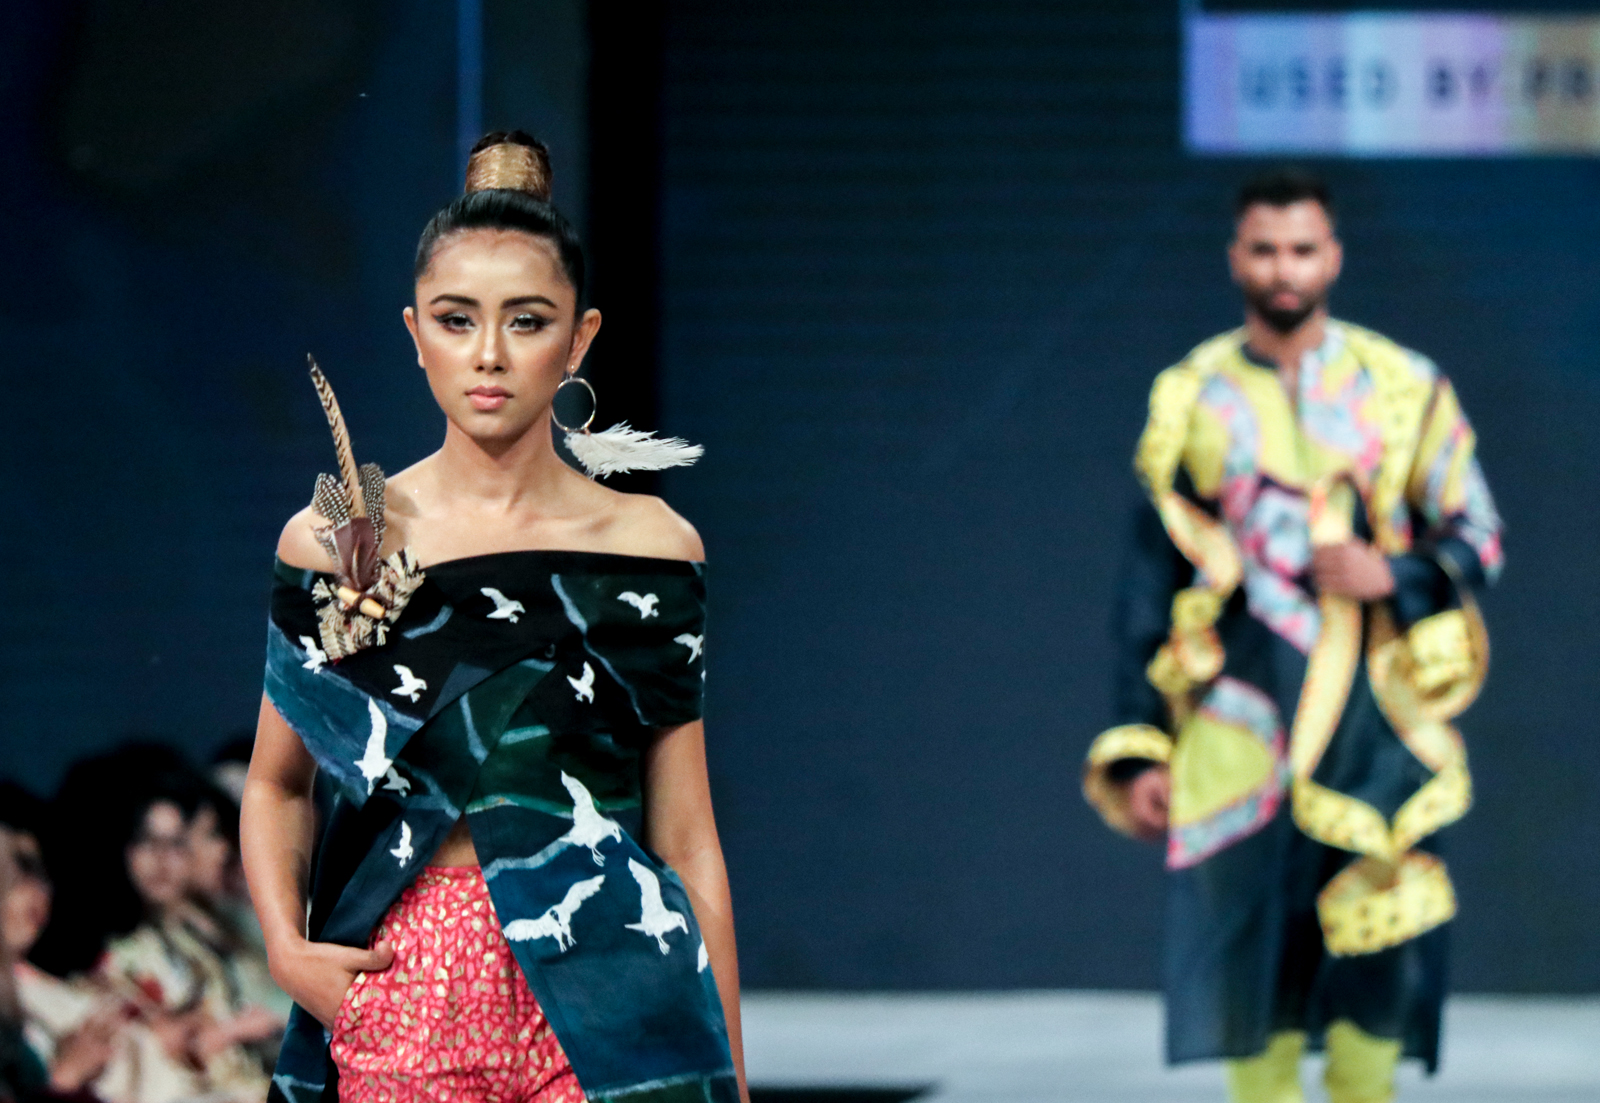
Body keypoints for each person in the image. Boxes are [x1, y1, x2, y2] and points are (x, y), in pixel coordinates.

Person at [241, 131, 746, 1103]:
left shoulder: (652, 545)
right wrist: (285, 950)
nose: (488, 354)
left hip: (617, 975)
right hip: (410, 972)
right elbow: (276, 780)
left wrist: (725, 1070)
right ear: (414, 331)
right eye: (455, 318)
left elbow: (687, 837)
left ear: (579, 338)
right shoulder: (339, 539)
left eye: (527, 320)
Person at [1082, 171, 1502, 1103]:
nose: (1284, 269)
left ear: (1333, 256)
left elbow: (1479, 533)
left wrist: (1393, 573)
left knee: (1377, 963)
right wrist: (1142, 746)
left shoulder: (1404, 388)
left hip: (1377, 729)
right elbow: (1151, 580)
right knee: (1248, 968)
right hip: (1239, 727)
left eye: (1302, 249)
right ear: (1236, 256)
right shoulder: (1190, 397)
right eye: (1265, 249)